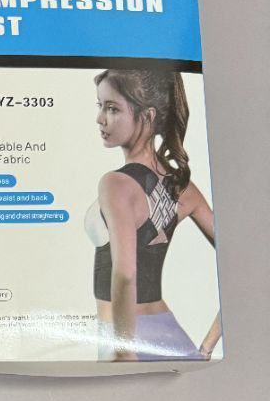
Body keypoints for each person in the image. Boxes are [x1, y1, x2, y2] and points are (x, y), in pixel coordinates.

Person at [84, 67, 221, 361]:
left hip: (125, 344)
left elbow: (125, 274)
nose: (100, 118)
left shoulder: (115, 183)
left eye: (112, 108)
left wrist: (123, 353)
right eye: (100, 106)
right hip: (172, 340)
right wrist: (207, 347)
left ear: (147, 116)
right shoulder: (184, 188)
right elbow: (243, 268)